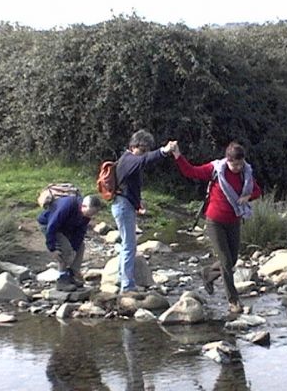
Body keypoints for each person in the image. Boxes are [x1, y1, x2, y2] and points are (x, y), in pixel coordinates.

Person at [172, 141, 261, 313]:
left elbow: (257, 191)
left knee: (232, 260)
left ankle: (207, 274)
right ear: (227, 160)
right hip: (214, 221)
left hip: (234, 220)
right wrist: (177, 155)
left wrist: (247, 196)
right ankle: (233, 301)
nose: (237, 168)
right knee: (226, 262)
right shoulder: (215, 169)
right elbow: (190, 171)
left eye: (240, 164)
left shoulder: (246, 173)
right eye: (234, 164)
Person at [111, 129, 176, 293]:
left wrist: (138, 203)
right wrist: (164, 151)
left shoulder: (128, 160)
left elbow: (130, 186)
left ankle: (122, 279)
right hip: (123, 206)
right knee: (129, 245)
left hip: (125, 205)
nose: (144, 153)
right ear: (134, 146)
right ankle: (127, 285)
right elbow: (145, 160)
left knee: (127, 243)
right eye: (143, 150)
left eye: (146, 150)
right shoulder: (129, 159)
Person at [38, 194, 102, 292]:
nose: (90, 216)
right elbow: (52, 226)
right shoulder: (67, 206)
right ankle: (61, 281)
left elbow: (80, 233)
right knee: (65, 250)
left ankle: (72, 274)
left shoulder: (86, 214)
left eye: (93, 214)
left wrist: (75, 249)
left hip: (65, 228)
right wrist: (52, 249)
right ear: (83, 206)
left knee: (81, 246)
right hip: (48, 225)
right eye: (90, 213)